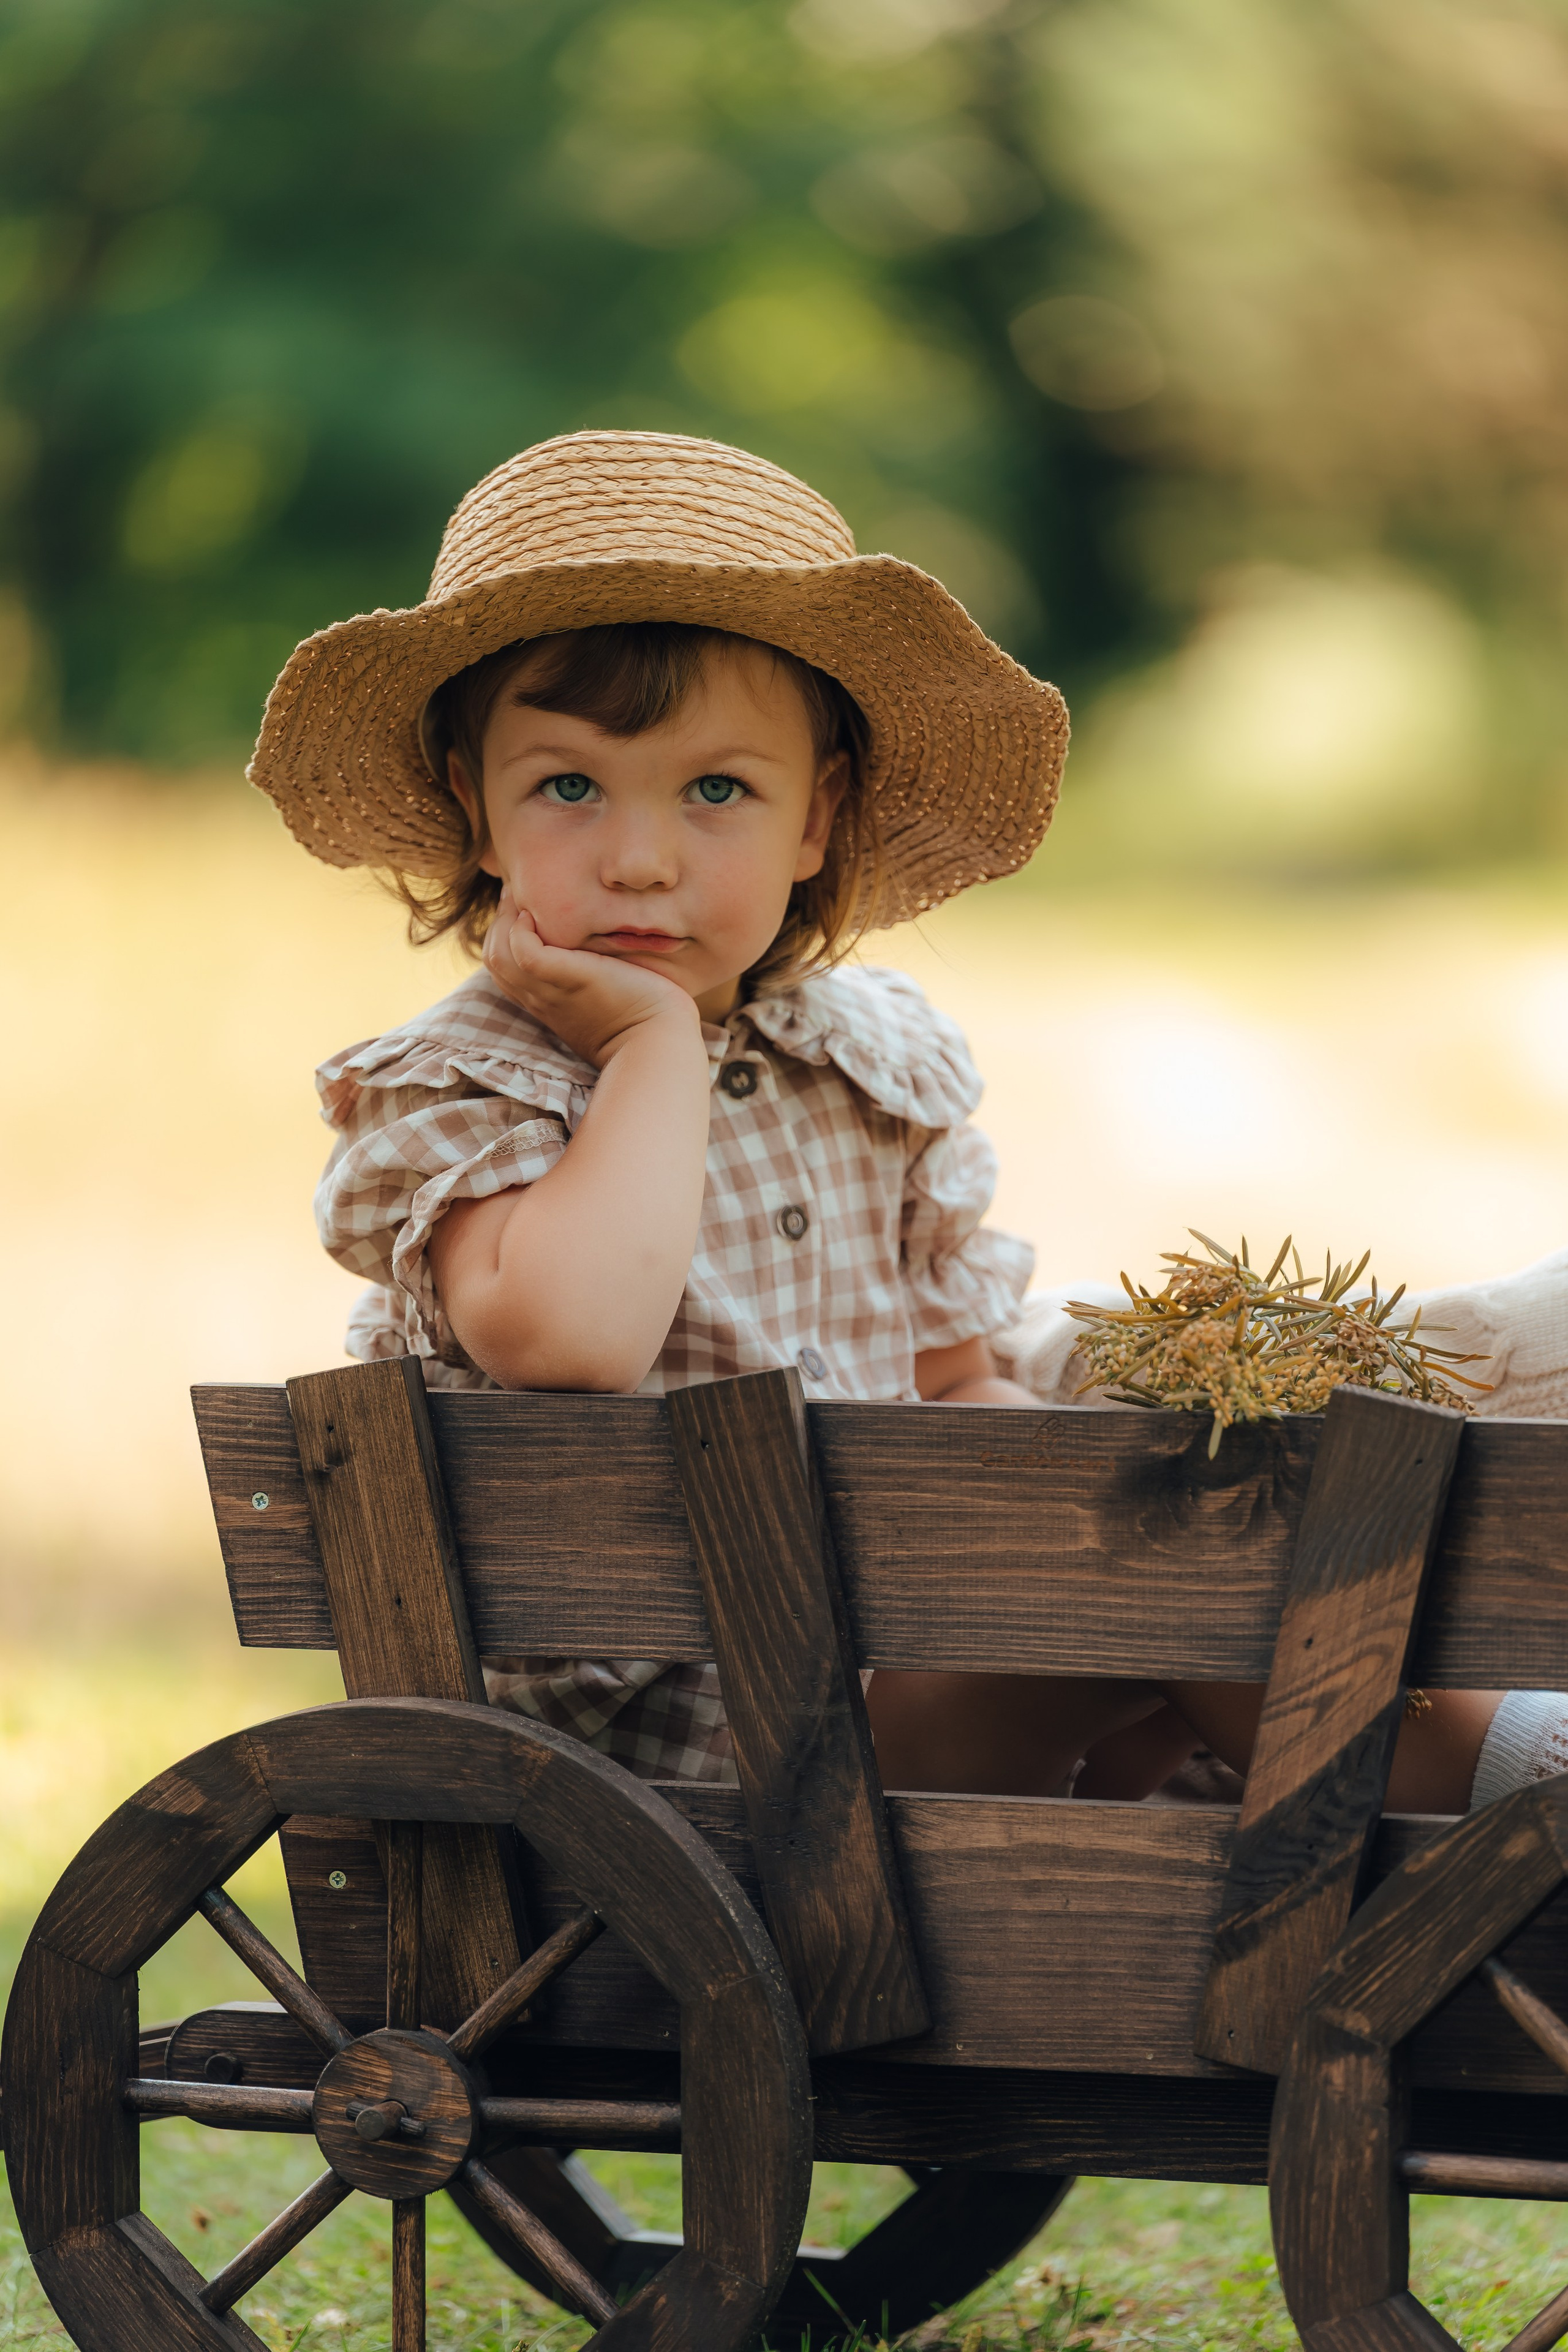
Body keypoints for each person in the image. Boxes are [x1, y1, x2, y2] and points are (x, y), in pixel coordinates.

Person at [249, 428, 1523, 1814]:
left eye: (718, 790)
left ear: (819, 816)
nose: (640, 858)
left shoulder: (868, 1064)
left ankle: (1454, 1804)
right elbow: (572, 1341)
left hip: (893, 1669)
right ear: (476, 808)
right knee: (1144, 1587)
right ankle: (1518, 1794)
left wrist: (1108, 1503)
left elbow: (953, 1386)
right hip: (686, 1764)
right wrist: (649, 1049)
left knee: (1199, 1540)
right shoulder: (464, 1089)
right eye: (568, 786)